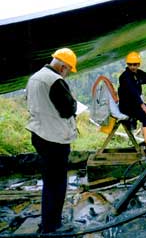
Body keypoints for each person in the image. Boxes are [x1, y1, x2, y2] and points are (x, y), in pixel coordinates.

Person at [25, 48, 78, 234]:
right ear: (63, 66)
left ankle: (49, 220)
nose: (68, 73)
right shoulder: (55, 81)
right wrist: (74, 102)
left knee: (49, 181)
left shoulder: (35, 78)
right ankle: (52, 225)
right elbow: (68, 109)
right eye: (69, 69)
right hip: (54, 138)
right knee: (57, 183)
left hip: (40, 134)